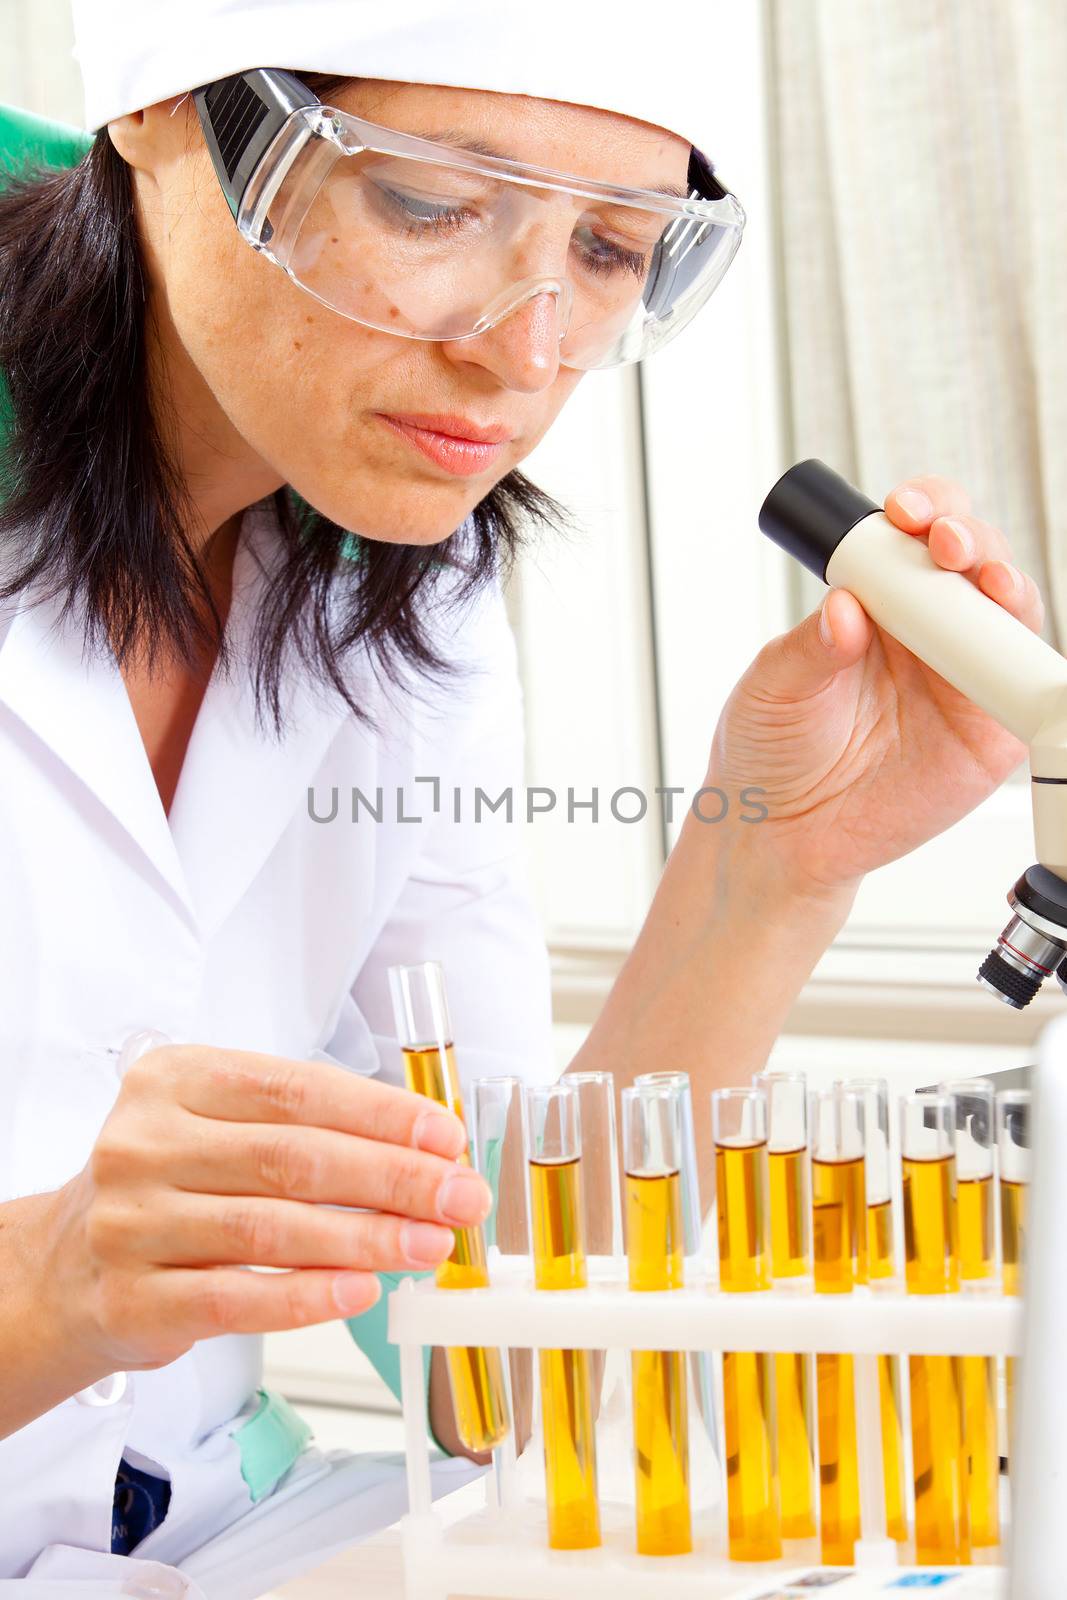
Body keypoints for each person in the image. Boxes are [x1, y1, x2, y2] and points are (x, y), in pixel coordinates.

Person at [0, 0, 1045, 1587]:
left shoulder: (396, 584)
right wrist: (50, 1286)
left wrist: (769, 864)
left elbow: (495, 1354)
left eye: (616, 251)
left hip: (225, 1531)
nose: (527, 349)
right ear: (162, 116)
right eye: (427, 202)